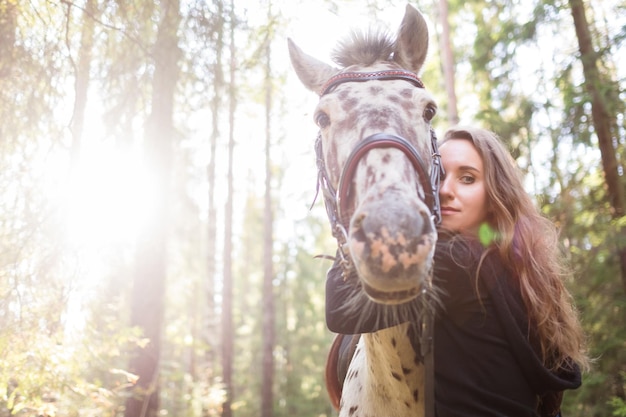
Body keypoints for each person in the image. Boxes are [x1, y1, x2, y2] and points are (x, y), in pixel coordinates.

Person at [325, 125, 590, 417]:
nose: (445, 190)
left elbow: (340, 308)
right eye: (438, 176)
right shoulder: (520, 268)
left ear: (495, 193)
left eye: (467, 178)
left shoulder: (457, 262)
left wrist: (360, 207)